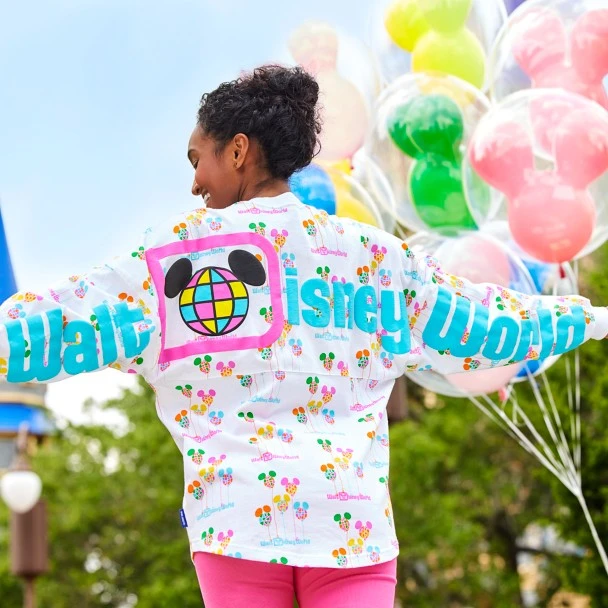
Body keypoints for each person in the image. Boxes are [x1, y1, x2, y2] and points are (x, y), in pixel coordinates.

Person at [1, 65, 607, 608]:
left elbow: (61, 322)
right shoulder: (373, 256)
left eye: (197, 159)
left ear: (238, 150)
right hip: (353, 527)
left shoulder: (174, 259)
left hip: (235, 522)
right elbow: (488, 324)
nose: (195, 182)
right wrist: (592, 318)